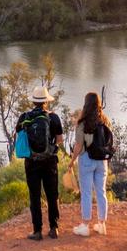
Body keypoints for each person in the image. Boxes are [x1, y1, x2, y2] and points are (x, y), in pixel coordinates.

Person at [16, 86, 64, 240]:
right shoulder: (54, 117)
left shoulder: (24, 116)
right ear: (46, 101)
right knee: (52, 195)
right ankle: (54, 228)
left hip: (32, 162)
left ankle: (37, 231)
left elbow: (19, 134)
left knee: (34, 196)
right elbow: (59, 140)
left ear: (34, 101)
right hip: (49, 162)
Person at [70, 92, 110, 237]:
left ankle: (85, 226)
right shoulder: (105, 120)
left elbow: (79, 145)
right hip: (102, 160)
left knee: (86, 193)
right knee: (101, 192)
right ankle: (102, 224)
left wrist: (72, 160)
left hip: (87, 159)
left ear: (86, 104)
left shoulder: (82, 123)